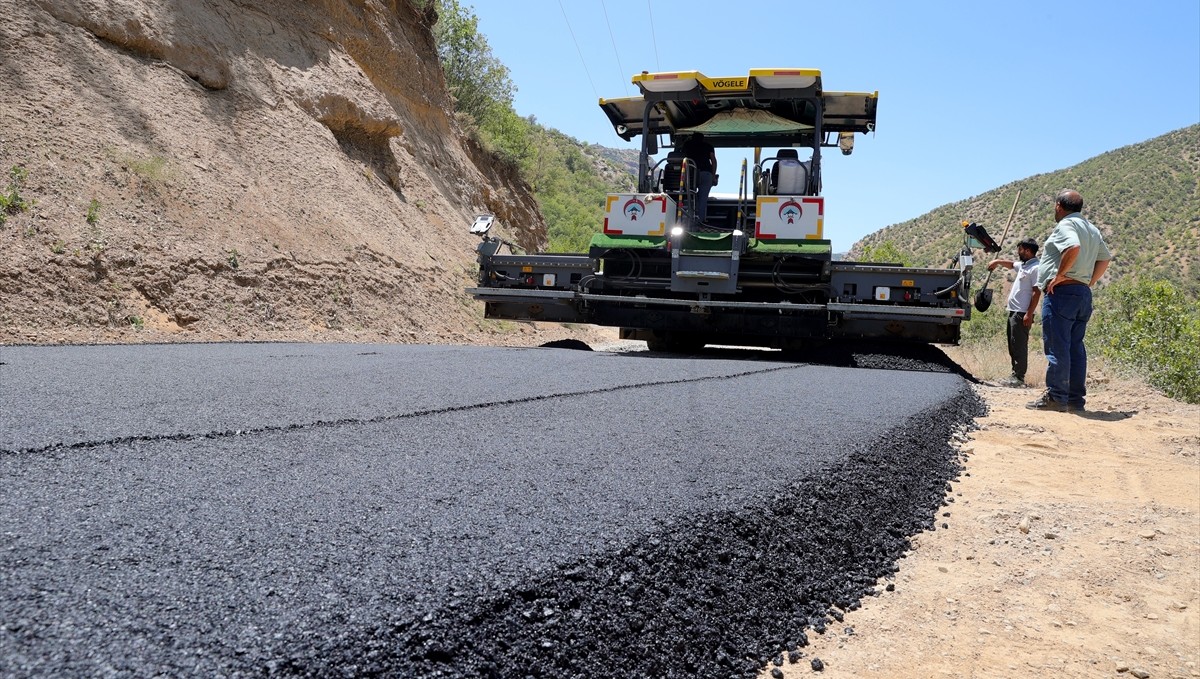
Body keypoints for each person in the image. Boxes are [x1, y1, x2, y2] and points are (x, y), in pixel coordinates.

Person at [1026, 189, 1111, 412]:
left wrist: (1061, 276)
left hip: (1062, 294)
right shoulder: (1092, 229)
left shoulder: (1066, 225)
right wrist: (1089, 282)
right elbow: (1105, 259)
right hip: (1082, 293)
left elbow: (1073, 247)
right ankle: (1074, 400)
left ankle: (1056, 397)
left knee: (1057, 346)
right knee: (1075, 347)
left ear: (1058, 206)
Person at [987, 238, 1041, 387]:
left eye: (1021, 250)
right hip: (1013, 311)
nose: (1018, 253)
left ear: (1028, 251)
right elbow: (1011, 264)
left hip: (1022, 313)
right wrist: (997, 261)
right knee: (1013, 344)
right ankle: (1014, 375)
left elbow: (1037, 293)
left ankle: (1019, 378)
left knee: (1019, 346)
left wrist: (1029, 314)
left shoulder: (1035, 268)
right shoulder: (1024, 266)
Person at [680, 133, 716, 226]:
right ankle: (700, 221)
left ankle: (685, 219)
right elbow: (713, 160)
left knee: (688, 195)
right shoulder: (708, 146)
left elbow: (682, 157)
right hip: (706, 173)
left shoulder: (687, 145)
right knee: (703, 198)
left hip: (690, 173)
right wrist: (713, 175)